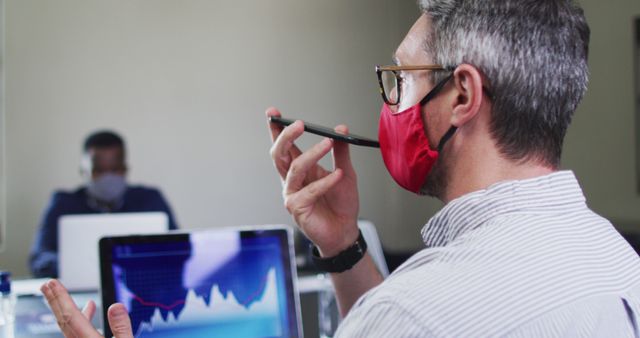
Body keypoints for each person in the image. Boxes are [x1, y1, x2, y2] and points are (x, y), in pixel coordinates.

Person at [39, 0, 640, 337]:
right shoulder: (616, 260)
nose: (390, 100)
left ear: (461, 97)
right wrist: (343, 247)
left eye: (401, 78)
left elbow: (407, 321)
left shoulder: (410, 315)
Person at [30, 130, 178, 278]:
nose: (108, 178)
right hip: (79, 293)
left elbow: (179, 249)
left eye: (114, 170)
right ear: (83, 171)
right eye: (99, 171)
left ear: (125, 169)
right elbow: (39, 259)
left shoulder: (150, 199)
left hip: (141, 289)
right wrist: (72, 266)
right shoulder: (63, 203)